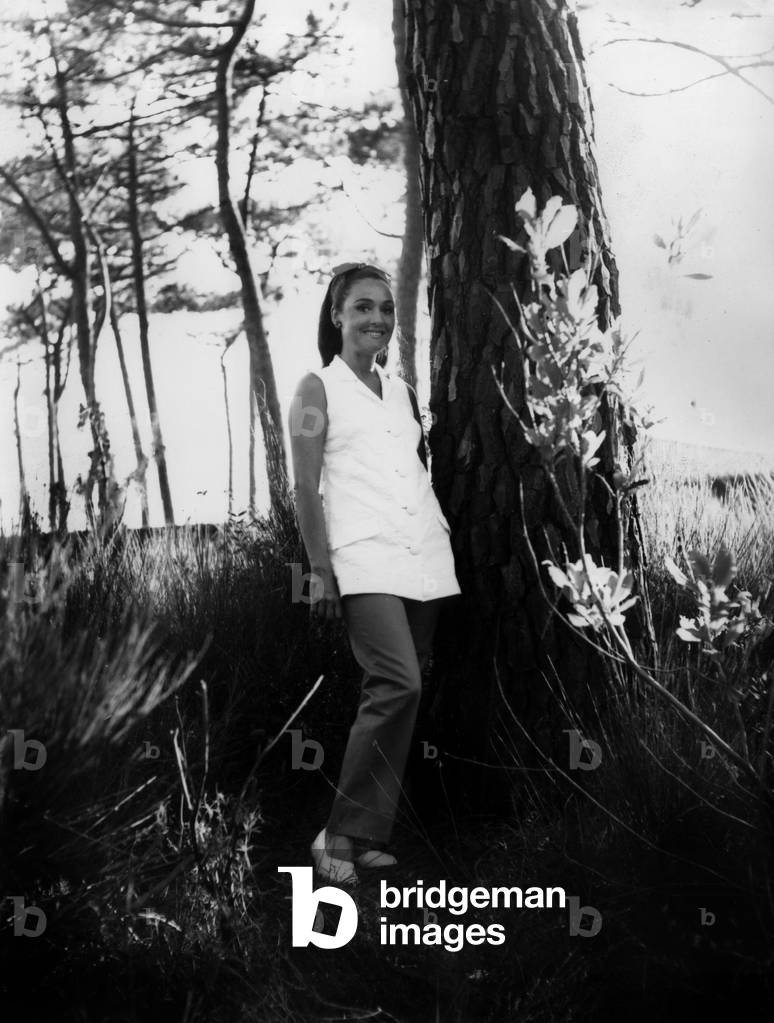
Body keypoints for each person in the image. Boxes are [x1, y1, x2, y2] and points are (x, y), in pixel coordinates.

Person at [288, 262, 461, 886]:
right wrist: (319, 570)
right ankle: (335, 834)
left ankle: (366, 835)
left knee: (397, 690)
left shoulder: (401, 391)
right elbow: (306, 486)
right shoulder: (316, 389)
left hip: (423, 556)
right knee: (398, 684)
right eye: (363, 307)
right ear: (337, 315)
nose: (377, 320)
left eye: (386, 309)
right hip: (363, 560)